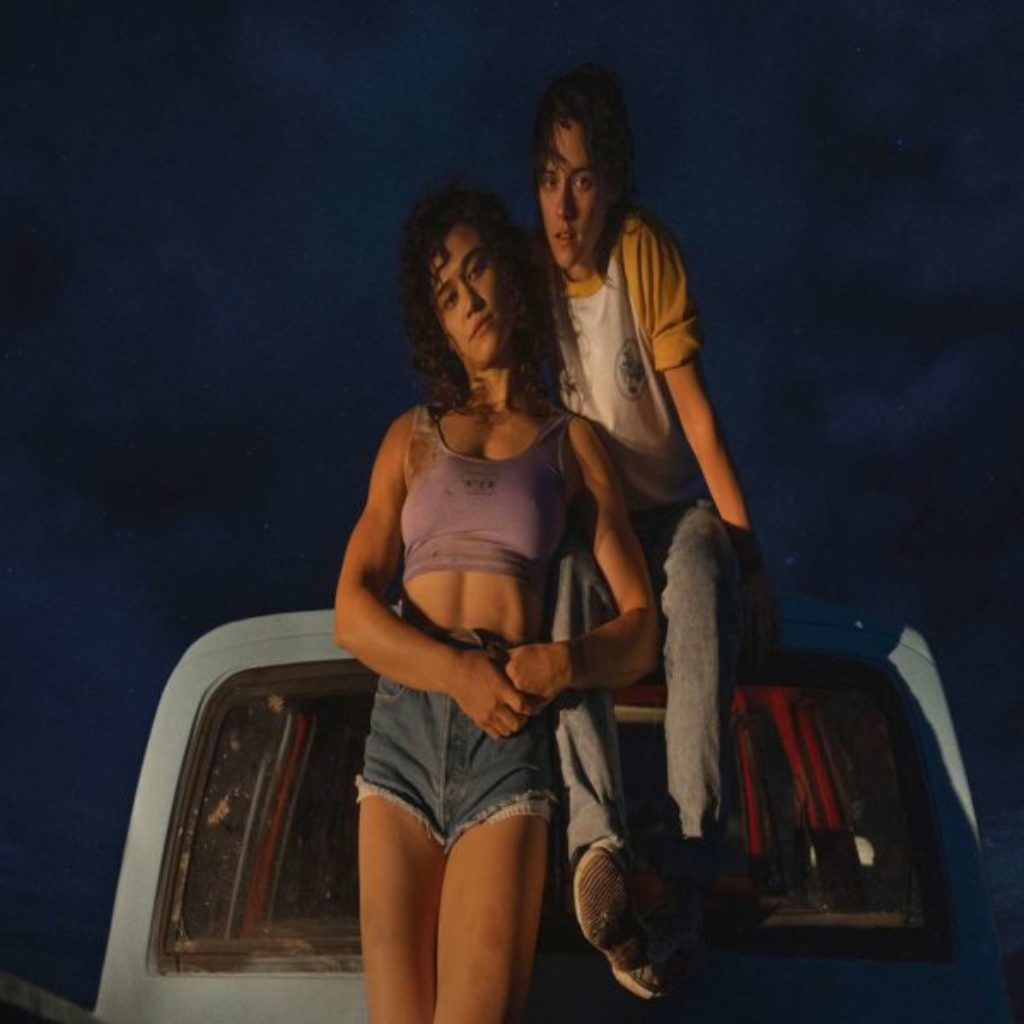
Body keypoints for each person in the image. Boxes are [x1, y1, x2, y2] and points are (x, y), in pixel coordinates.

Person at [333, 184, 658, 1024]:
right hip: (402, 735)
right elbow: (352, 612)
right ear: (437, 326)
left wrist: (566, 663)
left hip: (507, 744)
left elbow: (641, 631)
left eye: (478, 271)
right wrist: (454, 672)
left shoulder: (570, 443)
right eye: (447, 294)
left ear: (512, 276)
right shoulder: (408, 438)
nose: (469, 300)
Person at [514, 64, 777, 998]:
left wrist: (750, 558)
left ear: (614, 183)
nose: (563, 207)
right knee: (564, 589)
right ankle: (598, 846)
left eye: (582, 180)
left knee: (703, 575)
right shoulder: (530, 277)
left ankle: (692, 855)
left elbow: (696, 420)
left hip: (672, 514)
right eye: (549, 179)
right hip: (599, 522)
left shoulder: (641, 253)